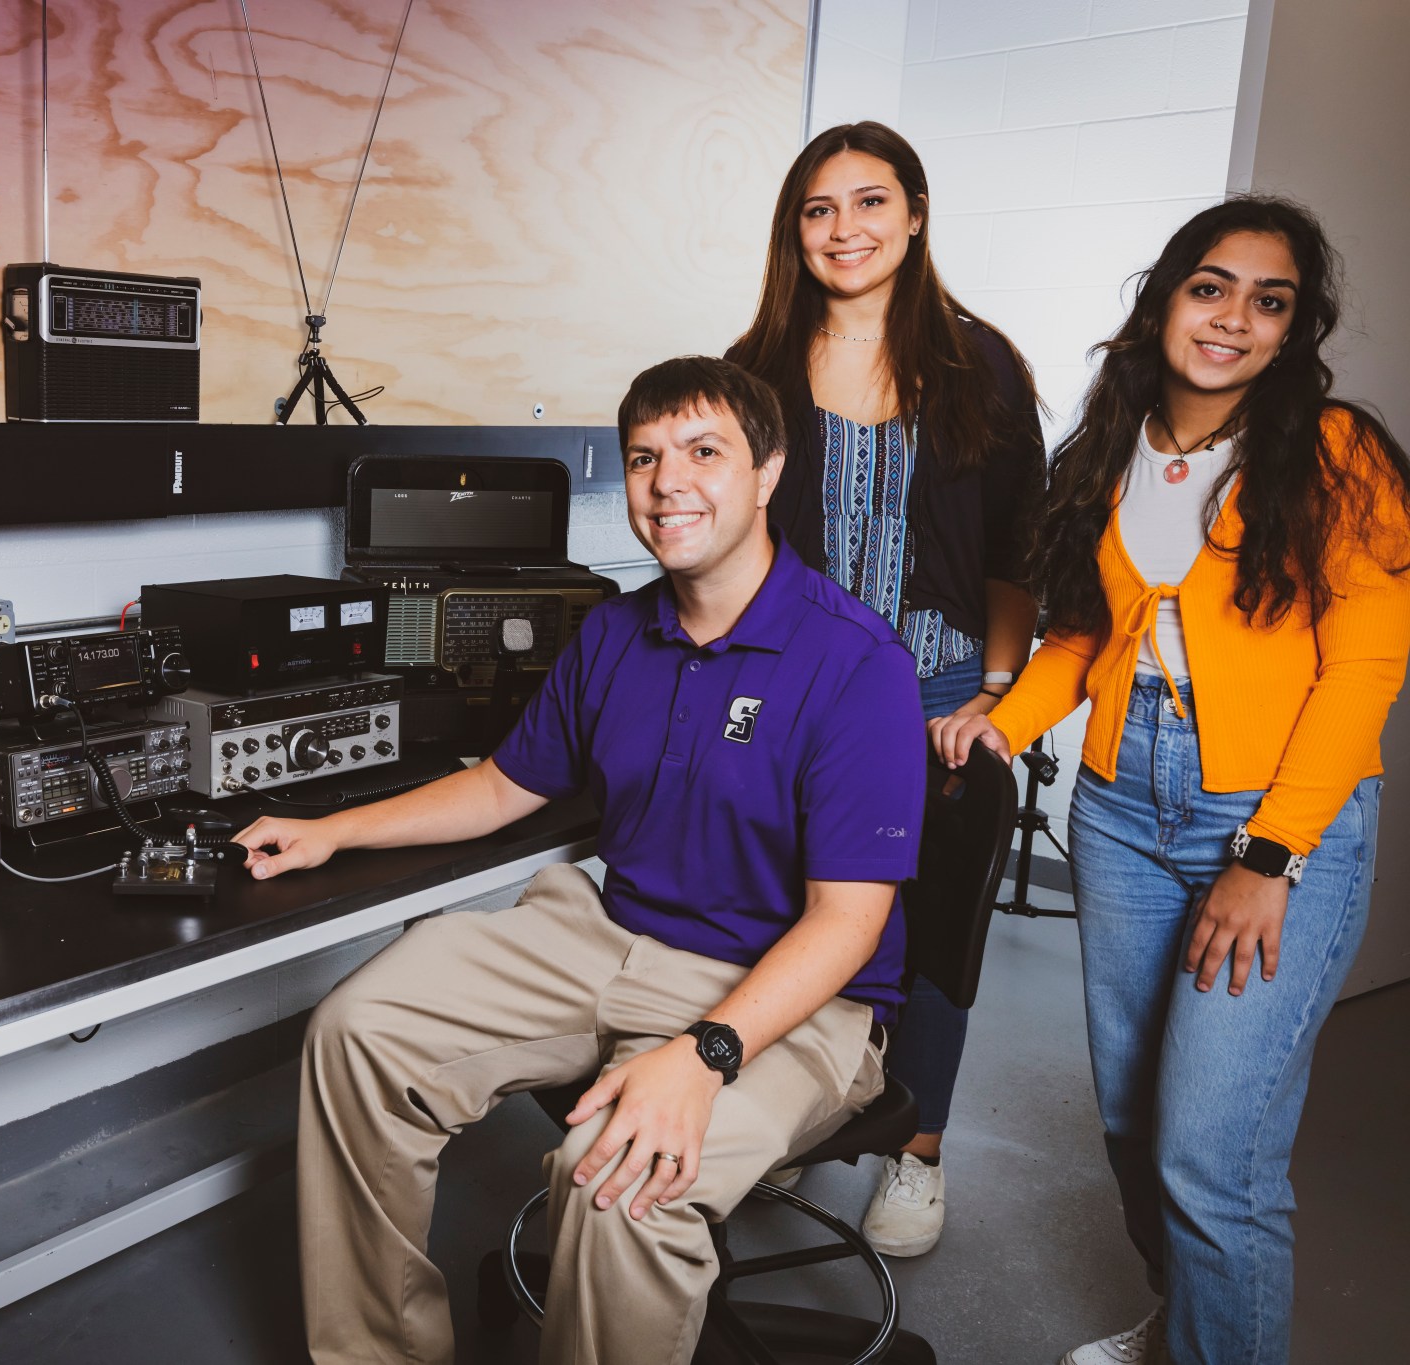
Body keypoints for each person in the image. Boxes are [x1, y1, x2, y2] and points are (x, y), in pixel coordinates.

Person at [237, 355, 926, 1364]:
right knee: (357, 1031)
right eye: (643, 457)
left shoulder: (854, 664)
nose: (666, 483)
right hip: (605, 933)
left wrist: (701, 1056)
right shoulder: (614, 633)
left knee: (622, 1184)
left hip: (783, 995)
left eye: (702, 452)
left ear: (766, 472)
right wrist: (334, 828)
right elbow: (500, 787)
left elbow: (845, 922)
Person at [933, 196, 1410, 1365]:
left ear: (1293, 331)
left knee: (1212, 1150)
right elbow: (1085, 639)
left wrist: (1267, 856)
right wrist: (1002, 719)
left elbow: (1364, 670)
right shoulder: (1112, 447)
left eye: (1269, 300)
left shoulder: (1335, 454)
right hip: (1118, 810)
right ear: (1163, 300)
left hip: (1265, 816)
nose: (1233, 318)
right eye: (1210, 287)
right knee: (1130, 1115)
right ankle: (1188, 1330)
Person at [726, 120, 1043, 1256]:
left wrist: (997, 692)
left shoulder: (980, 366)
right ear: (793, 231)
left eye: (868, 203)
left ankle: (915, 1151)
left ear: (912, 215)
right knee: (775, 910)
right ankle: (778, 1110)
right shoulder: (750, 369)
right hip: (791, 690)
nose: (843, 228)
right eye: (818, 209)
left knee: (923, 927)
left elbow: (1017, 547)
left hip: (934, 690)